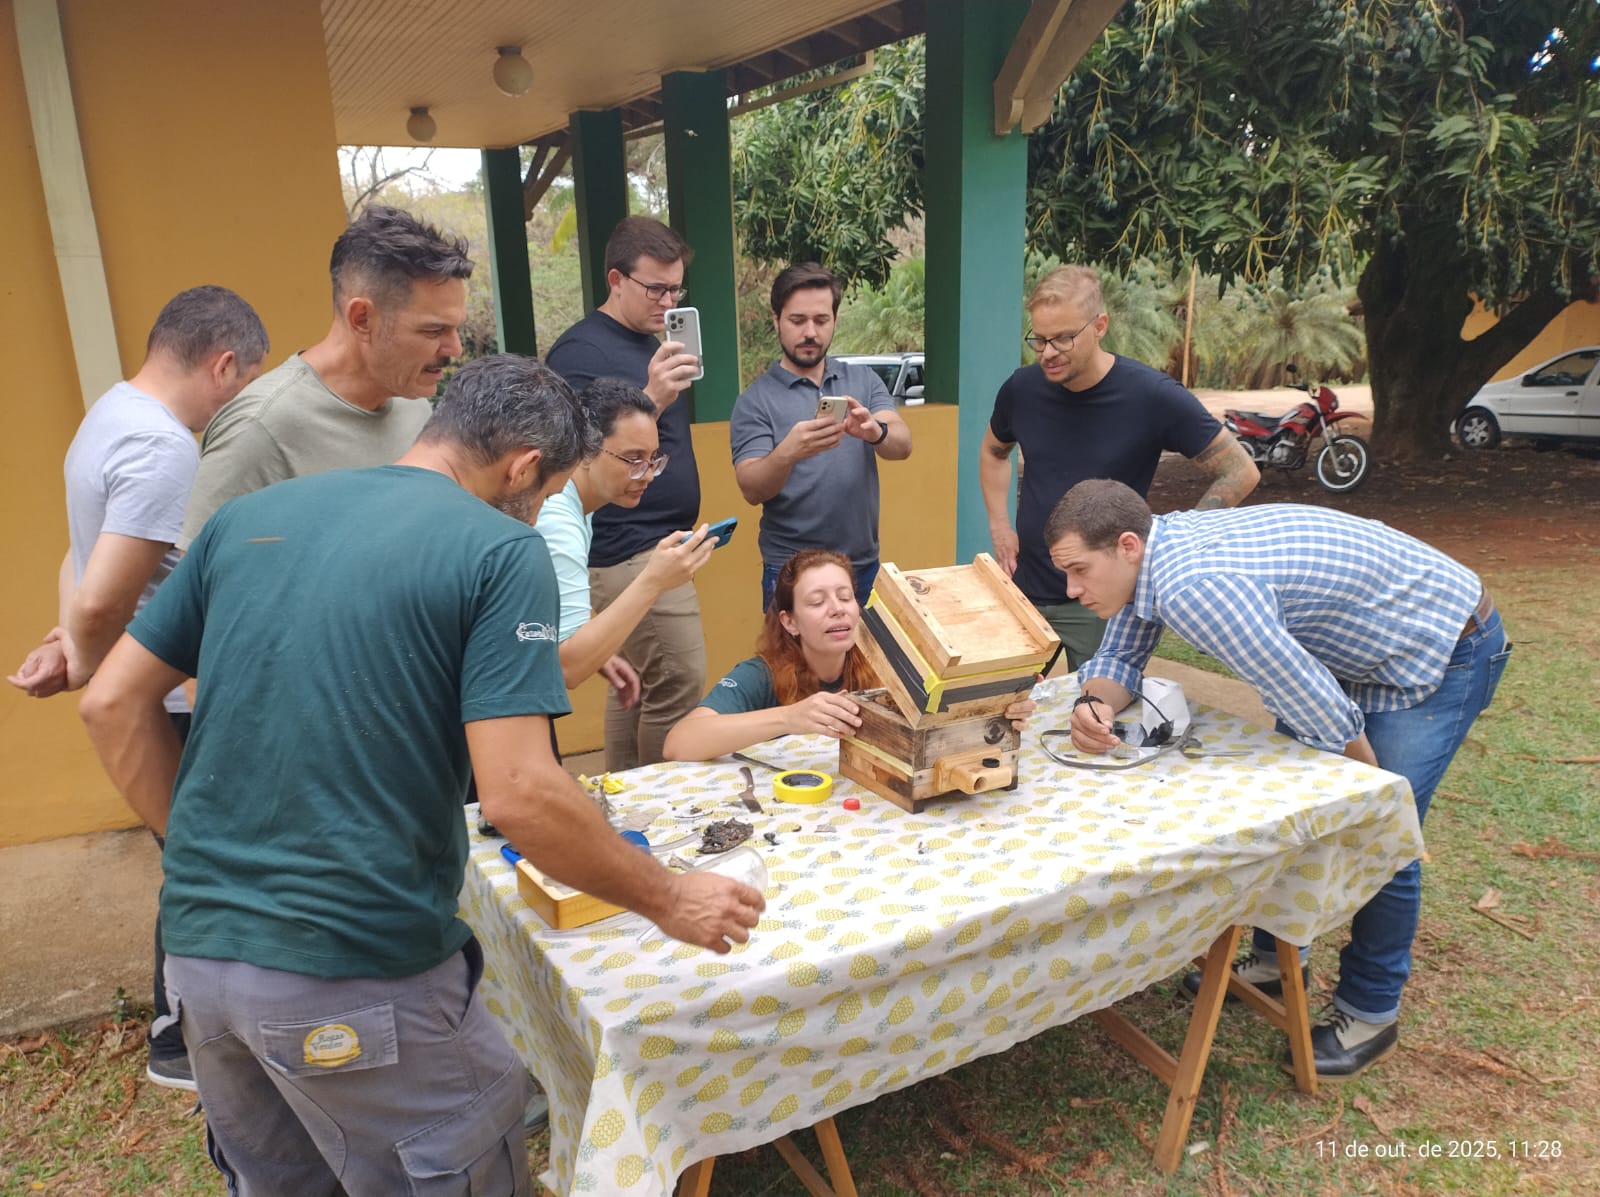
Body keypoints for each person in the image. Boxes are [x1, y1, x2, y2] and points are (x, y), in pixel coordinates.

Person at [78, 355, 765, 1196]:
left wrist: (199, 857)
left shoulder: (249, 518)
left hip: (200, 966)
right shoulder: (500, 549)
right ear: (522, 467)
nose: (542, 508)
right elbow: (520, 791)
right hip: (357, 968)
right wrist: (671, 897)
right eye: (548, 491)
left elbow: (110, 701)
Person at [1050, 479, 1511, 1080]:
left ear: (1128, 545)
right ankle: (1275, 964)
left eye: (1079, 571)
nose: (1071, 591)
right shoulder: (1151, 562)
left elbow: (1317, 704)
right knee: (1297, 818)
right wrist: (1093, 704)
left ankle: (1370, 1014)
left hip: (1440, 645)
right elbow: (1120, 657)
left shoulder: (1194, 587)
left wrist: (1371, 793)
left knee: (1382, 841)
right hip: (1345, 653)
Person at [6, 286, 268, 1092]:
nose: (239, 402)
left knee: (191, 858)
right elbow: (101, 597)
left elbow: (80, 559)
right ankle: (183, 1038)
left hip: (155, 690)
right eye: (245, 383)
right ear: (223, 364)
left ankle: (184, 1030)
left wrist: (71, 643)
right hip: (174, 700)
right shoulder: (163, 447)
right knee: (203, 861)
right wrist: (86, 658)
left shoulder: (109, 414)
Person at [980, 264, 1260, 670]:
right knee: (1005, 705)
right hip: (1024, 589)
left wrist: (1180, 546)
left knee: (1098, 705)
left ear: (1100, 326)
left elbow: (1240, 471)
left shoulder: (1152, 395)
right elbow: (993, 451)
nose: (1048, 353)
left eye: (1063, 338)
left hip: (1104, 605)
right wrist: (999, 526)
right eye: (1039, 340)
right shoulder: (1020, 389)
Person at [177, 204, 472, 549]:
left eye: (456, 329)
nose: (455, 349)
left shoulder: (414, 404)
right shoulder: (259, 427)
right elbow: (203, 573)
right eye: (434, 330)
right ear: (362, 319)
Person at [546, 216, 705, 772]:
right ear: (615, 279)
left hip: (652, 540)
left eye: (676, 290)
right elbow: (581, 452)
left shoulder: (653, 342)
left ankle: (620, 795)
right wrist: (653, 396)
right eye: (655, 288)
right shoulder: (579, 352)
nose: (668, 302)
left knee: (635, 687)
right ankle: (663, 804)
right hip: (624, 545)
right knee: (679, 681)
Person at [663, 549, 1032, 762]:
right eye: (817, 602)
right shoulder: (760, 674)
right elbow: (678, 743)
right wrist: (789, 717)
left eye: (845, 597)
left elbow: (940, 714)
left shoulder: (886, 661)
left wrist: (1000, 708)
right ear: (790, 622)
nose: (837, 609)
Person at [534, 377, 716, 729]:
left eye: (653, 459)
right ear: (586, 449)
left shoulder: (577, 503)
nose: (647, 475)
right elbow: (568, 667)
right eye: (633, 459)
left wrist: (598, 656)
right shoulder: (558, 517)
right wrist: (653, 581)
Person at [730, 262, 912, 610]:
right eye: (797, 320)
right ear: (776, 321)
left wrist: (876, 431)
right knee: (791, 651)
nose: (810, 332)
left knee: (869, 650)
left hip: (861, 566)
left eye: (821, 320)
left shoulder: (863, 381)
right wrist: (788, 452)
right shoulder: (755, 401)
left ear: (835, 321)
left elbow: (903, 445)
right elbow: (751, 489)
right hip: (792, 572)